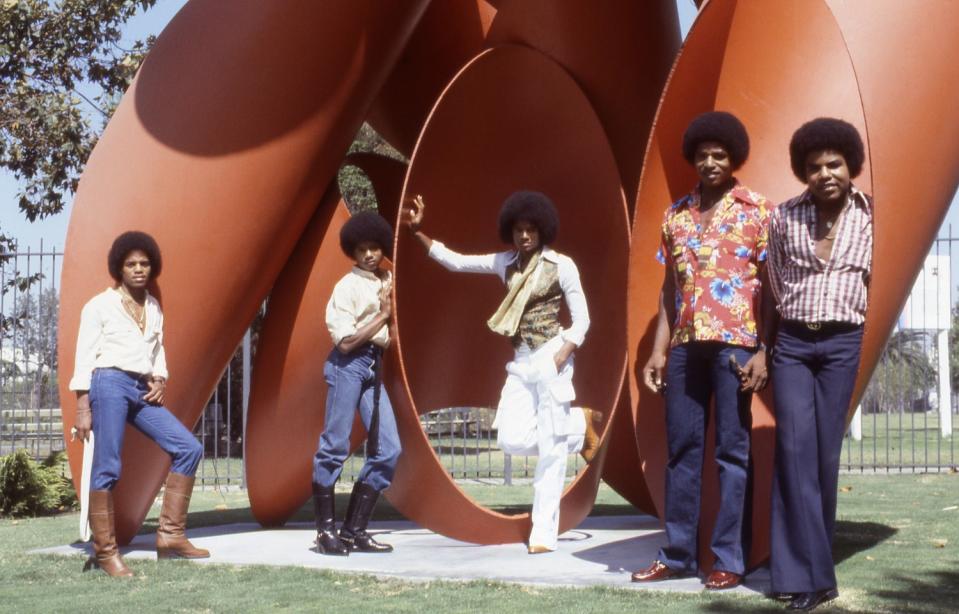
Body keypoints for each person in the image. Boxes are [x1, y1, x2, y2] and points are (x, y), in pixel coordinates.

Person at [406, 191, 599, 554]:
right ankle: (578, 425)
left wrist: (563, 353)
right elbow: (457, 262)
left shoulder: (562, 265)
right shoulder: (504, 262)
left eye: (531, 229)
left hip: (551, 357)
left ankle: (543, 532)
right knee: (511, 439)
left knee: (553, 452)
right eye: (518, 230)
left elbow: (583, 319)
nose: (524, 236)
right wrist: (419, 233)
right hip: (520, 361)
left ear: (543, 231)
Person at [632, 111, 773, 590]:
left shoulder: (758, 210)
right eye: (703, 155)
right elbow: (670, 288)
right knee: (681, 452)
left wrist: (764, 350)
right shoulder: (675, 215)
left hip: (736, 345)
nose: (711, 162)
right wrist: (658, 351)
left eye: (720, 155)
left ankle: (729, 559)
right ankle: (676, 555)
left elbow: (772, 287)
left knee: (732, 453)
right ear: (692, 159)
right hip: (686, 350)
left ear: (733, 158)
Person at [766, 118, 871, 611]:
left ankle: (812, 571)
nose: (825, 173)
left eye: (834, 164)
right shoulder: (783, 218)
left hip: (841, 345)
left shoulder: (874, 217)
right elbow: (772, 286)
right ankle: (805, 576)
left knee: (825, 458)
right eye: (814, 167)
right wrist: (761, 350)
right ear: (801, 172)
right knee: (793, 450)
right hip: (791, 345)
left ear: (851, 165)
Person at [70, 231, 208, 577]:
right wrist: (83, 408)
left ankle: (171, 536)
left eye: (144, 263)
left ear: (152, 267)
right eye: (130, 264)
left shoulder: (153, 306)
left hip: (140, 388)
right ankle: (105, 553)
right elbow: (84, 358)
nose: (138, 269)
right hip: (108, 383)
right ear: (119, 267)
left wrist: (160, 379)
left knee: (188, 448)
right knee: (109, 466)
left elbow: (157, 352)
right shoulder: (99, 305)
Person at [312, 210, 402, 556]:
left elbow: (389, 338)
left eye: (375, 247)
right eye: (362, 249)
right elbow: (345, 343)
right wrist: (382, 314)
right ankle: (325, 534)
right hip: (348, 364)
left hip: (373, 365)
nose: (369, 254)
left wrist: (388, 312)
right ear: (353, 251)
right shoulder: (346, 287)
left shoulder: (384, 281)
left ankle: (353, 531)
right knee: (335, 445)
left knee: (390, 448)